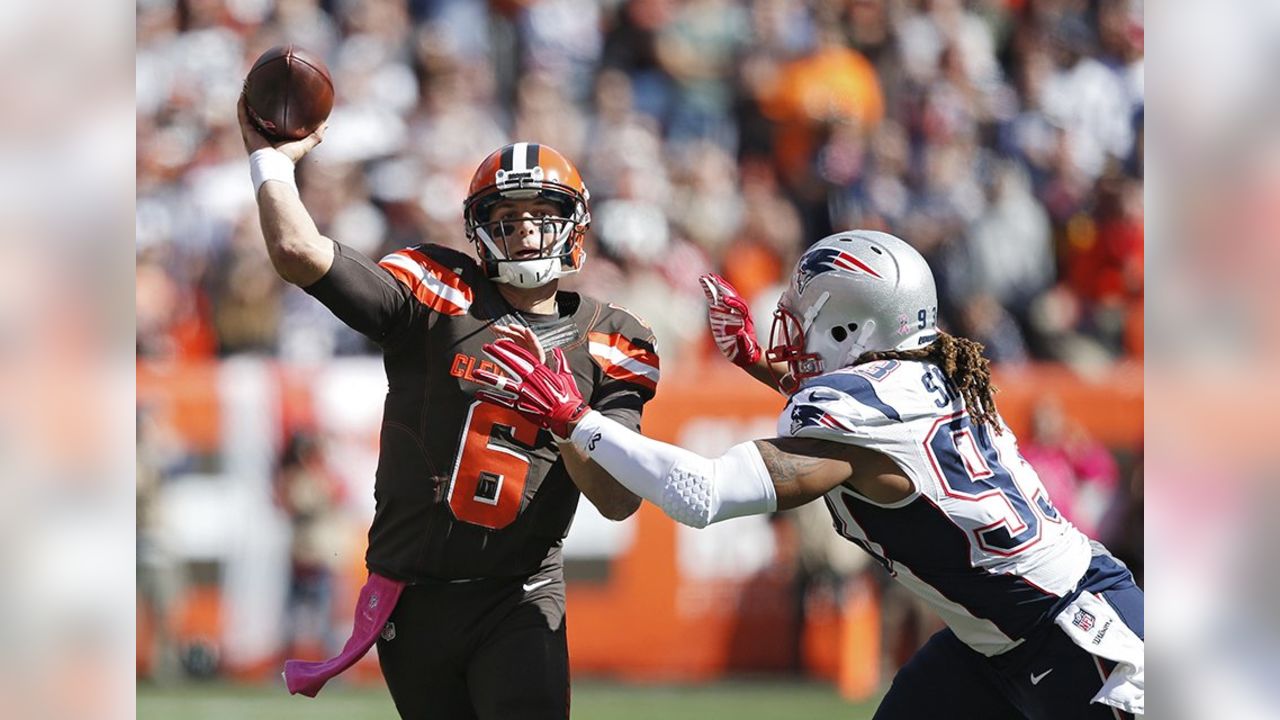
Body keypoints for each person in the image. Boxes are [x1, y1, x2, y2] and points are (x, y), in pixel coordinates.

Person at [473, 230, 1144, 719]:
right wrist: (762, 368)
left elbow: (703, 494)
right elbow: (868, 438)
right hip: (1003, 635)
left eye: (809, 314)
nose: (790, 328)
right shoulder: (935, 374)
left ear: (853, 323)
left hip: (1078, 639)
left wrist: (576, 418)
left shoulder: (853, 412)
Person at [237, 96, 660, 719]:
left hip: (521, 591)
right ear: (478, 226)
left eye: (542, 214)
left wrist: (574, 422)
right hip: (413, 595)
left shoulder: (613, 339)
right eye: (507, 216)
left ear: (575, 225)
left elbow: (619, 500)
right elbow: (299, 253)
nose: (523, 230)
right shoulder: (438, 291)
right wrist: (270, 163)